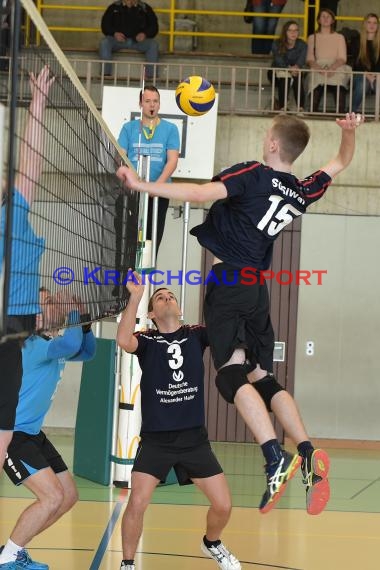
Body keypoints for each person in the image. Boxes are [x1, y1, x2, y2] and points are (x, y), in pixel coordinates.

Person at [117, 112, 363, 516]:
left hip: (230, 281)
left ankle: (274, 458)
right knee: (261, 375)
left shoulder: (253, 174)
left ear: (271, 145)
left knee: (231, 376)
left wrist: (141, 184)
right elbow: (340, 162)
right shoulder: (300, 190)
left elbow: (200, 195)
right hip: (257, 290)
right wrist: (349, 133)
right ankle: (306, 449)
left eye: (266, 134)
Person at [116, 276, 241, 570]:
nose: (166, 299)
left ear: (180, 308)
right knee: (137, 503)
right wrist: (135, 296)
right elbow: (124, 340)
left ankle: (212, 543)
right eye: (159, 298)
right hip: (157, 441)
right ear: (151, 314)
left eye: (170, 296)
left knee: (223, 506)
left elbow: (226, 330)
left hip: (194, 439)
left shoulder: (196, 334)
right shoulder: (147, 340)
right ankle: (128, 564)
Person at [0, 291, 96, 570]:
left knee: (68, 496)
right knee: (52, 496)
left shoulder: (52, 344)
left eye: (55, 301)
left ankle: (13, 550)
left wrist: (86, 322)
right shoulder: (32, 344)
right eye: (49, 303)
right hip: (13, 436)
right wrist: (76, 311)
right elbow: (73, 342)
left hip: (33, 434)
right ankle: (7, 559)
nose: (56, 305)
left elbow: (87, 351)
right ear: (36, 315)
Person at [0, 66, 54, 475]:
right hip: (10, 325)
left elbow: (31, 162)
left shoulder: (13, 212)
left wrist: (38, 102)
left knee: (4, 436)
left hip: (13, 332)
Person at [117, 85, 180, 254]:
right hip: (132, 194)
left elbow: (172, 161)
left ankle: (146, 279)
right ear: (140, 104)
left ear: (159, 104)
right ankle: (126, 278)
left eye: (155, 101)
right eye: (147, 101)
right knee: (127, 244)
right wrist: (132, 181)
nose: (152, 105)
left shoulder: (170, 129)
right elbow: (120, 159)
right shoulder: (128, 128)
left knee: (151, 245)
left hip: (158, 196)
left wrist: (156, 186)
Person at [99, 0, 159, 79]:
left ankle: (151, 77)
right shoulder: (114, 7)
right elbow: (105, 25)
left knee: (153, 44)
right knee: (105, 43)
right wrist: (114, 33)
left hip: (138, 42)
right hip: (118, 41)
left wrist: (145, 34)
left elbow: (154, 27)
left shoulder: (145, 8)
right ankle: (105, 76)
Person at [306, 9, 350, 113]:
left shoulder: (340, 37)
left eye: (328, 16)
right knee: (315, 80)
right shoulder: (312, 37)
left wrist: (332, 68)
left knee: (340, 81)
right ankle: (313, 113)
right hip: (318, 65)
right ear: (318, 20)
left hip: (337, 65)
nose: (325, 19)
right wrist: (320, 69)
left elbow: (342, 58)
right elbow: (310, 59)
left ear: (333, 20)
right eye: (323, 16)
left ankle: (340, 114)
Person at [269, 20, 307, 111]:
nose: (293, 33)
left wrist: (296, 68)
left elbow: (301, 61)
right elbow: (279, 61)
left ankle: (300, 107)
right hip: (277, 71)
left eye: (296, 30)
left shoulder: (302, 44)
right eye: (290, 30)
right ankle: (283, 107)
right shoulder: (277, 43)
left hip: (295, 71)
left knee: (297, 77)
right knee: (286, 77)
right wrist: (289, 69)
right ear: (285, 32)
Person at [351, 13, 380, 113]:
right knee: (363, 84)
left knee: (379, 84)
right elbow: (356, 62)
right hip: (360, 74)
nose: (372, 25)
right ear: (364, 24)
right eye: (369, 22)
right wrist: (367, 74)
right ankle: (352, 112)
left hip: (377, 75)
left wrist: (375, 76)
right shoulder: (356, 41)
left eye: (375, 23)